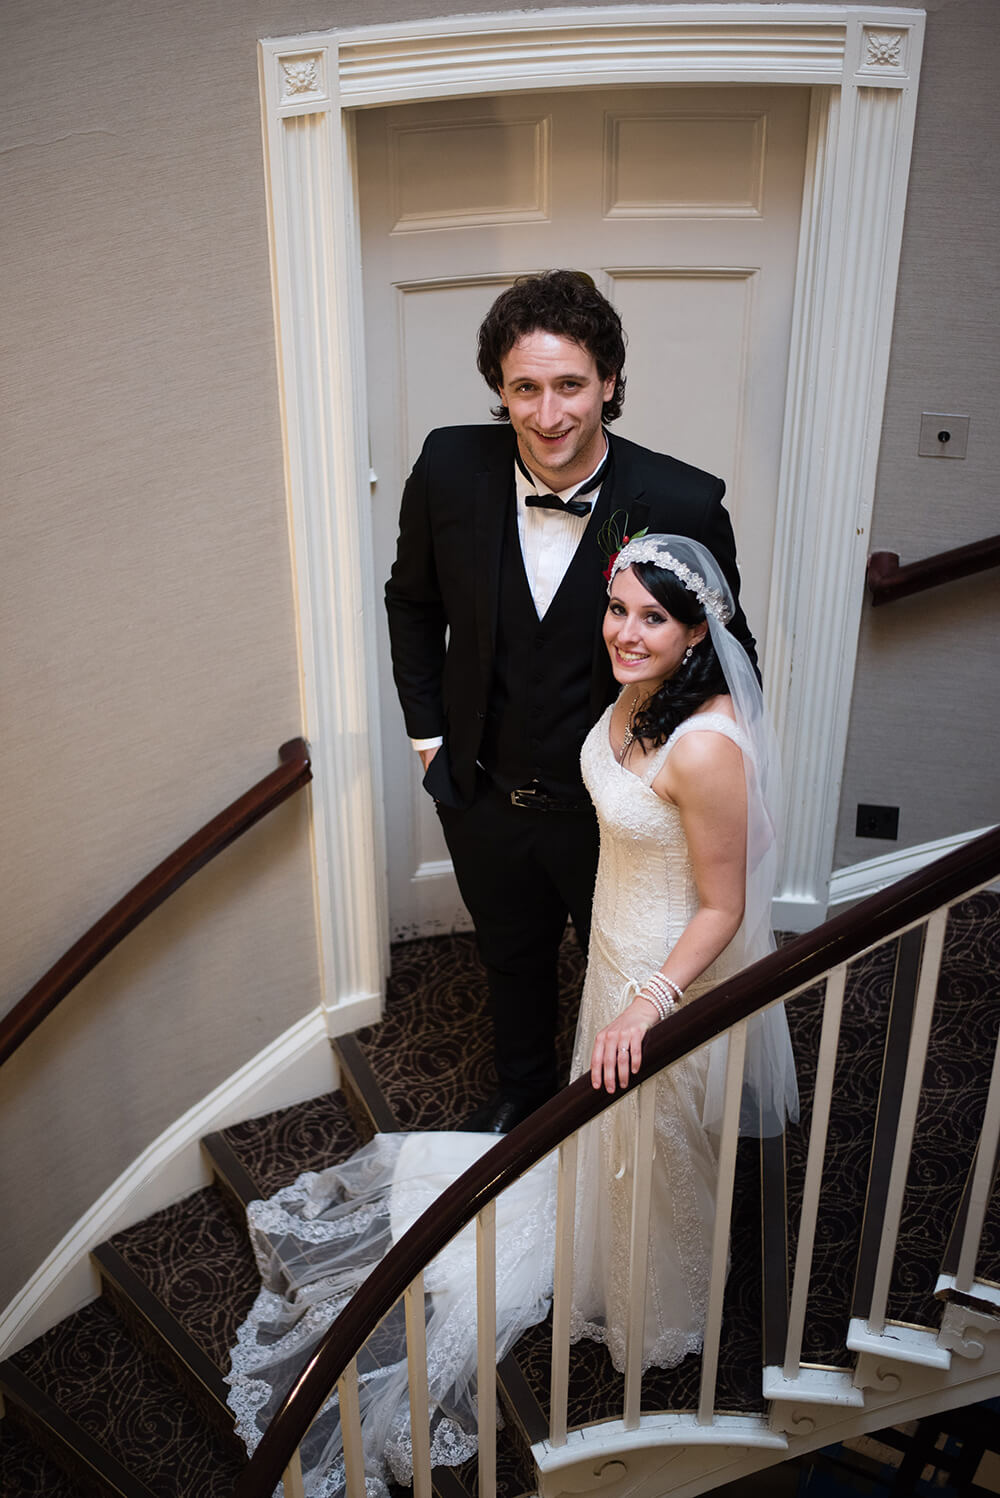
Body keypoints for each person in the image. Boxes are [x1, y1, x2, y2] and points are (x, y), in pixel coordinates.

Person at [226, 536, 798, 1495]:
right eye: (618, 610)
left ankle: (657, 1302)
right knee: (607, 1127)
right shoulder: (636, 697)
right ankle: (600, 1243)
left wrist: (653, 1002)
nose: (626, 631)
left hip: (668, 973)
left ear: (698, 630)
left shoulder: (704, 741)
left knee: (652, 1136)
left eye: (653, 618)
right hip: (618, 946)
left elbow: (727, 902)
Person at [385, 269, 757, 1134]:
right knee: (508, 959)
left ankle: (615, 1128)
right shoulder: (448, 466)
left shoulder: (679, 499)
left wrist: (682, 778)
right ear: (499, 390)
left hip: (615, 811)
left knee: (620, 974)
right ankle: (523, 1096)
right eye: (524, 388)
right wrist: (429, 741)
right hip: (481, 791)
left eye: (570, 386)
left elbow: (728, 657)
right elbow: (413, 602)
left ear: (610, 384)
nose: (548, 415)